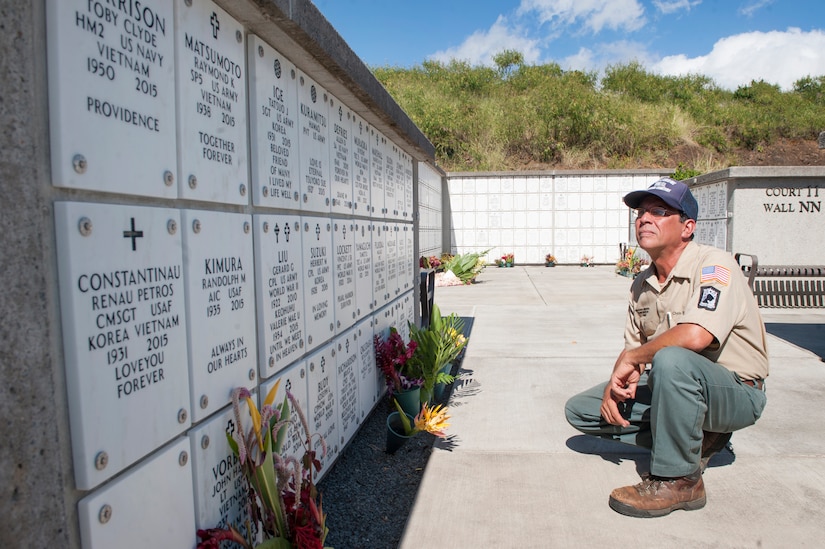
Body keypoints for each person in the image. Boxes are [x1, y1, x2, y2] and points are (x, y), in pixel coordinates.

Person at [564, 177, 768, 518]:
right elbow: (634, 347)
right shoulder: (641, 284)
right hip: (679, 386)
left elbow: (696, 337)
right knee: (583, 409)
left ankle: (680, 479)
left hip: (736, 391)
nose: (644, 218)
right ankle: (696, 437)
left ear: (687, 227)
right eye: (640, 212)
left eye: (658, 211)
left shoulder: (715, 266)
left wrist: (634, 358)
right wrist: (617, 380)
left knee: (673, 359)